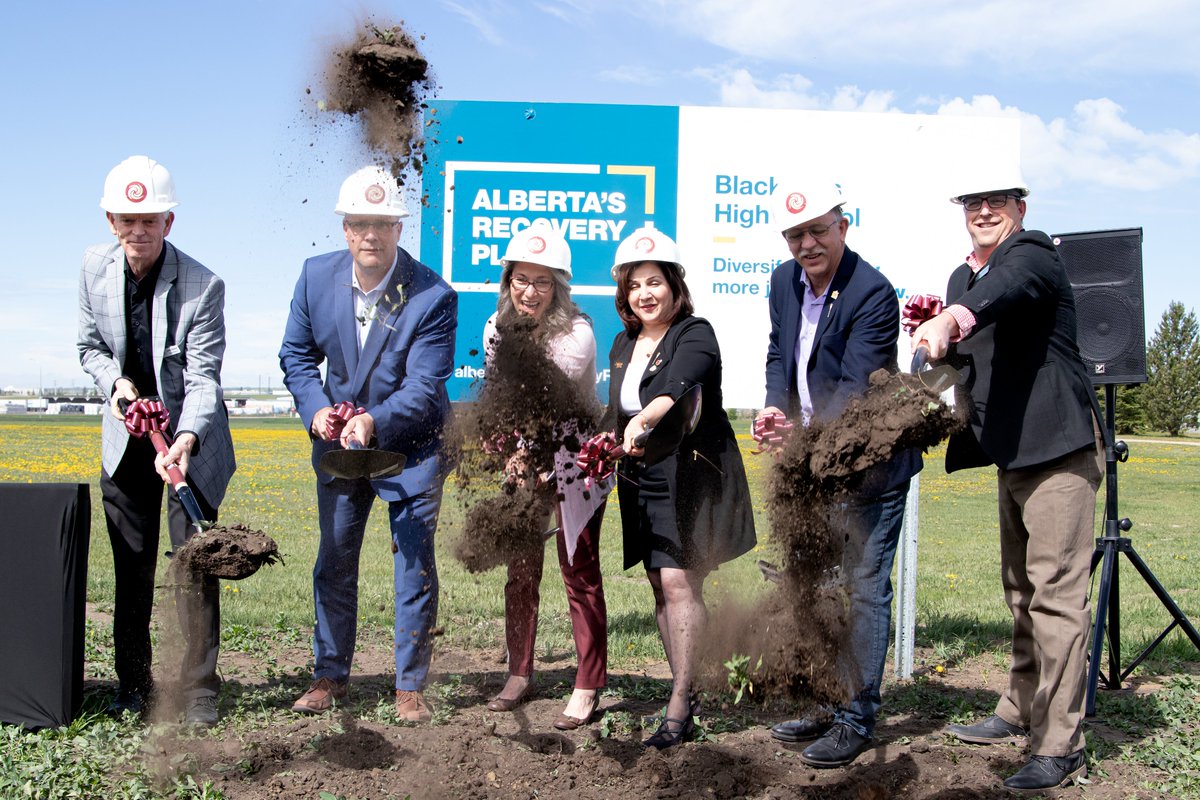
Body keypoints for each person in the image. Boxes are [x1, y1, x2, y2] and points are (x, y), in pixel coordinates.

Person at [909, 167, 1102, 793]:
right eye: (973, 202)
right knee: (1020, 590)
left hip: (1060, 448)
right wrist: (932, 363)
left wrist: (952, 319)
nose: (984, 210)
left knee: (1056, 595)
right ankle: (1018, 708)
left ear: (1020, 207)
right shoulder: (963, 277)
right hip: (1013, 453)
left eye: (997, 201)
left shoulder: (1034, 252)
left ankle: (1059, 744)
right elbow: (968, 362)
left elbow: (1008, 290)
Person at [279, 165, 458, 722]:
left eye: (382, 224)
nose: (370, 235)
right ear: (345, 228)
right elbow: (296, 357)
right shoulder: (313, 277)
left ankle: (410, 687)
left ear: (399, 228)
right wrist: (317, 412)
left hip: (413, 448)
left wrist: (373, 421)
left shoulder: (433, 295)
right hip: (339, 448)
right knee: (334, 559)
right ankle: (328, 675)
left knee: (413, 564)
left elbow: (425, 386)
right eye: (359, 223)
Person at [758, 180, 921, 767]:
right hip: (810, 464)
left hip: (867, 470)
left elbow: (854, 392)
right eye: (796, 235)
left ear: (843, 227)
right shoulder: (782, 281)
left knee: (863, 590)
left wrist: (802, 445)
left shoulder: (872, 292)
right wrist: (777, 411)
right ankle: (827, 702)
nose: (808, 244)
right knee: (819, 587)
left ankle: (857, 717)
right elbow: (781, 353)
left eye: (819, 230)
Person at [77, 155, 237, 727]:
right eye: (127, 219)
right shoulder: (93, 268)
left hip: (187, 446)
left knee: (194, 566)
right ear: (110, 221)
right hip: (125, 446)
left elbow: (204, 377)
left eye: (150, 220)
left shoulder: (203, 285)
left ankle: (197, 690)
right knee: (131, 567)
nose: (138, 231)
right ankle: (134, 684)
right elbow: (88, 348)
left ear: (169, 222)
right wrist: (116, 384)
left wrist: (187, 438)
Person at [596, 225, 756, 748]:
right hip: (640, 476)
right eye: (634, 285)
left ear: (674, 286)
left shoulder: (695, 333)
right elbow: (614, 412)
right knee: (657, 584)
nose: (644, 294)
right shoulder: (623, 342)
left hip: (688, 473)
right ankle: (684, 688)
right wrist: (597, 449)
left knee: (679, 583)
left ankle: (681, 703)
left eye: (654, 282)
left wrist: (648, 416)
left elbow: (676, 386)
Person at [480, 220, 611, 729]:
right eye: (520, 279)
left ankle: (587, 683)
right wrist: (511, 454)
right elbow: (501, 399)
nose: (528, 292)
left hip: (575, 461)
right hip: (523, 458)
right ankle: (519, 671)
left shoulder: (577, 333)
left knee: (578, 574)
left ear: (558, 287)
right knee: (521, 571)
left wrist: (532, 459)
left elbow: (547, 402)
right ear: (508, 280)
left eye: (541, 282)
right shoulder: (494, 328)